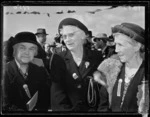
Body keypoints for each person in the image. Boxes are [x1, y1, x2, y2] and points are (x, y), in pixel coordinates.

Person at [50, 18, 109, 112]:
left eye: (71, 35)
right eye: (64, 36)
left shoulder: (96, 57)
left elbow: (103, 90)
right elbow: (57, 95)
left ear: (82, 36)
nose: (67, 40)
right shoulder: (58, 59)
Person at [93, 22, 146, 113]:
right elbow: (103, 105)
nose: (116, 50)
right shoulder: (111, 70)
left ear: (137, 46)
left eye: (121, 45)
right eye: (116, 45)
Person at [2, 32, 50, 112]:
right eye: (22, 48)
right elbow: (4, 104)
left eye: (31, 48)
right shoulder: (5, 72)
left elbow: (45, 98)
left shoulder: (40, 71)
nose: (27, 52)